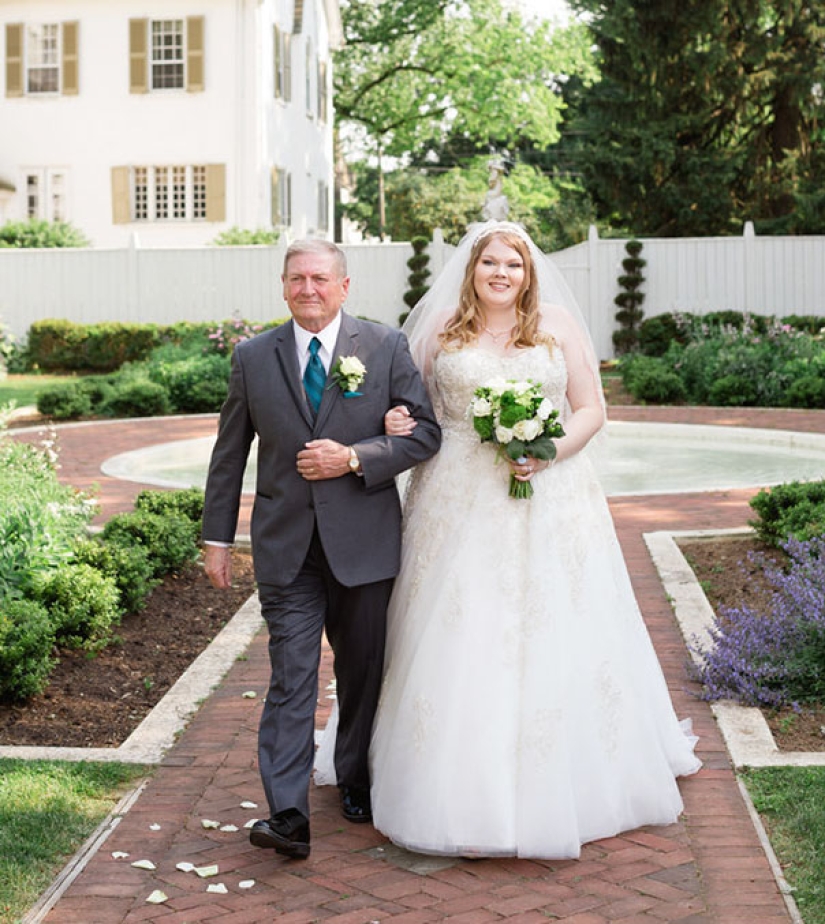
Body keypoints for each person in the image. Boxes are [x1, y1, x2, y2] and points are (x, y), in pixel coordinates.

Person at [366, 221, 701, 859]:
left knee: (556, 618)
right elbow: (411, 410)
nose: (501, 273)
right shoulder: (440, 333)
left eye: (513, 264)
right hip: (457, 497)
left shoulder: (557, 327)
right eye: (489, 262)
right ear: (471, 269)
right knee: (461, 623)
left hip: (553, 495)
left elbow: (591, 410)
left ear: (528, 273)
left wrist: (547, 453)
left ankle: (575, 771)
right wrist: (395, 418)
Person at [202, 239, 441, 861]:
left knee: (361, 670)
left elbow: (426, 434)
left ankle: (356, 776)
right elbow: (230, 455)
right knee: (291, 677)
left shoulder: (384, 346)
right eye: (296, 278)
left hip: (364, 544)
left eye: (319, 278)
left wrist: (355, 457)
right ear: (283, 286)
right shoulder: (253, 357)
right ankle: (287, 814)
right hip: (286, 548)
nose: (308, 288)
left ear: (344, 285)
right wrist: (217, 538)